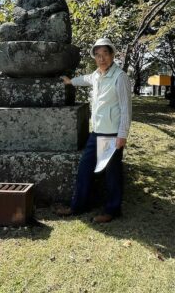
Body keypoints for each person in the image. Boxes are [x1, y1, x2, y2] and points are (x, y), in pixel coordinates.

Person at [56, 38, 132, 223]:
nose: (101, 58)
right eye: (98, 55)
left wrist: (122, 135)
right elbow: (85, 79)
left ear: (112, 55)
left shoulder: (119, 77)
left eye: (105, 54)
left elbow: (126, 108)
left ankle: (112, 210)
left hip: (112, 134)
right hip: (96, 132)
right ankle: (77, 206)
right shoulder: (97, 75)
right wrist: (70, 81)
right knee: (84, 169)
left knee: (112, 174)